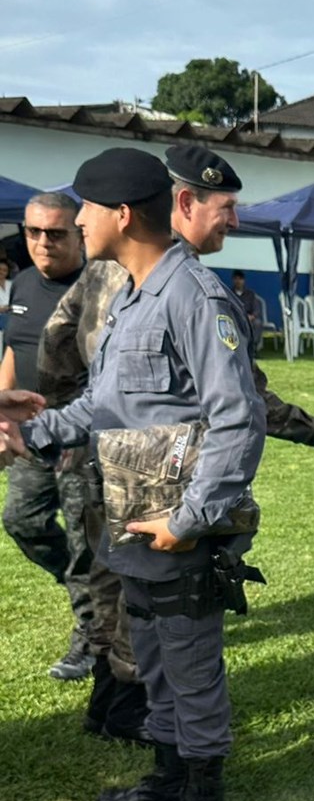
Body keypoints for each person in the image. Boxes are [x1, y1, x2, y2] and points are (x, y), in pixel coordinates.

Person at [1, 148, 266, 801]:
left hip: (177, 521)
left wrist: (191, 522)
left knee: (190, 664)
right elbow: (108, 403)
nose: (76, 220)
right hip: (130, 509)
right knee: (148, 654)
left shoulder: (194, 296)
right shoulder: (132, 294)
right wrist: (31, 431)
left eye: (84, 208)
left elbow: (238, 417)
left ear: (120, 215)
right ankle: (168, 773)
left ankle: (204, 796)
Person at [165, 144, 314, 453]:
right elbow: (242, 392)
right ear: (187, 203)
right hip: (179, 471)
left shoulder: (121, 271)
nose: (235, 221)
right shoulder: (195, 291)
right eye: (225, 207)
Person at [38, 258, 150, 742]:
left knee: (107, 579)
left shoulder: (98, 277)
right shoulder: (168, 282)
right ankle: (124, 710)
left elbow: (57, 342)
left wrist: (67, 427)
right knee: (137, 594)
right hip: (144, 464)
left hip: (99, 453)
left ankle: (103, 707)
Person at [0, 192, 95, 680]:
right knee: (21, 520)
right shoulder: (20, 284)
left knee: (86, 543)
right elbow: (13, 351)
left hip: (80, 437)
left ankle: (91, 634)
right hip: (29, 433)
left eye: (55, 233)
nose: (41, 243)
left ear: (79, 233)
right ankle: (93, 598)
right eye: (32, 232)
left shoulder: (101, 287)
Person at [231, 269, 266, 354]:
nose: (238, 281)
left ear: (244, 280)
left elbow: (256, 309)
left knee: (257, 323)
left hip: (249, 318)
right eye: (236, 279)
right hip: (235, 318)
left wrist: (251, 316)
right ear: (233, 280)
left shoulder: (250, 294)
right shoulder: (230, 293)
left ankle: (253, 348)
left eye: (240, 279)